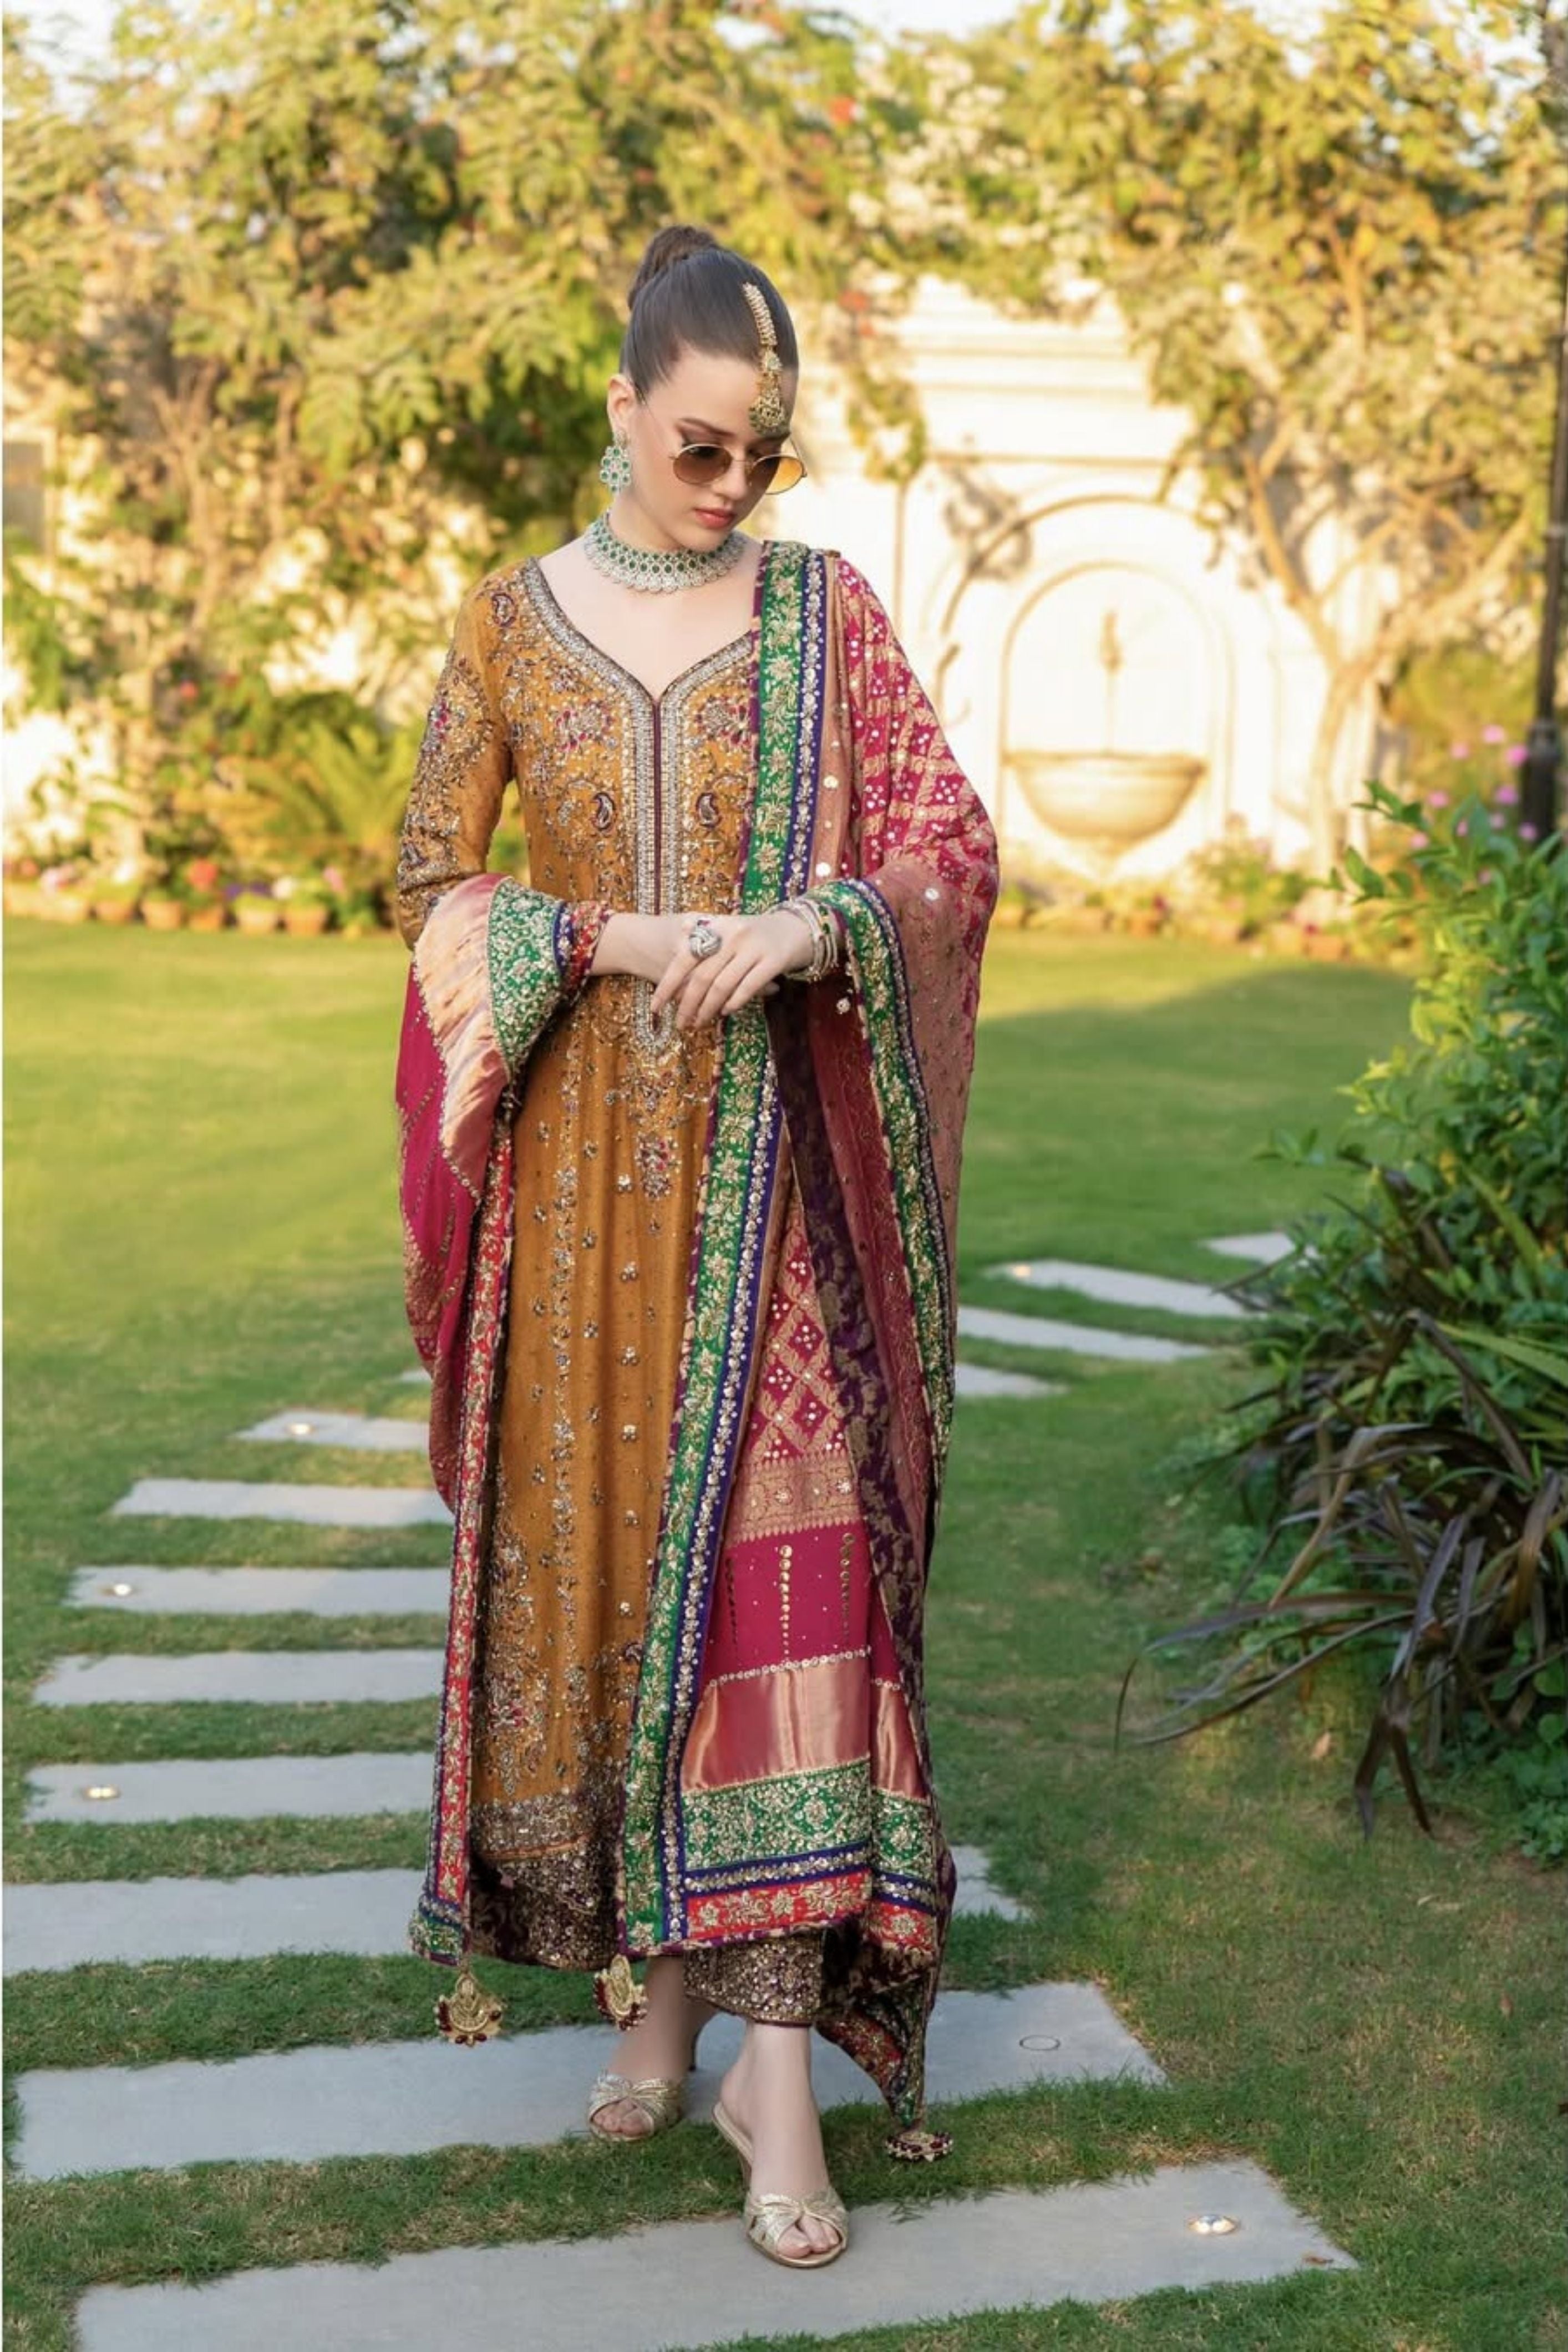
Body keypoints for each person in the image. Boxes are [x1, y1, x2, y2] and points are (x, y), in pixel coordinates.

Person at [393, 222, 999, 2272]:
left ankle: (769, 2084)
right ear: (624, 410)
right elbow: (423, 879)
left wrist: (813, 923)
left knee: (775, 1627)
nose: (734, 488)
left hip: (776, 1222)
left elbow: (947, 843)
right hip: (570, 1231)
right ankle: (648, 1993)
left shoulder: (826, 614)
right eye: (702, 449)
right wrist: (613, 937)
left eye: (766, 456)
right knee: (611, 1601)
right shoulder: (504, 626)